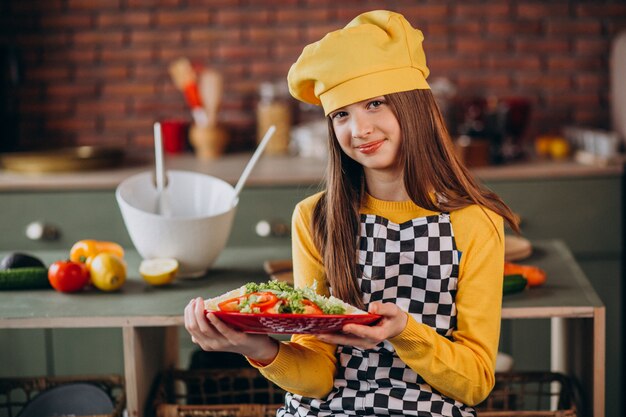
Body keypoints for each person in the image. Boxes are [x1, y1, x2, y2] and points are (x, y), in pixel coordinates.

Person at [184, 9, 520, 417]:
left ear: (414, 107)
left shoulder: (475, 222)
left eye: (375, 104)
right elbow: (318, 379)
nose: (358, 129)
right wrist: (254, 346)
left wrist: (405, 333)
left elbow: (476, 384)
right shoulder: (315, 218)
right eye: (341, 114)